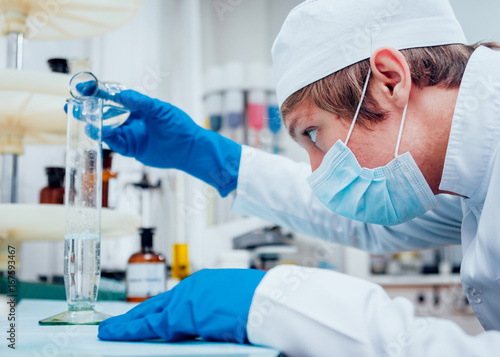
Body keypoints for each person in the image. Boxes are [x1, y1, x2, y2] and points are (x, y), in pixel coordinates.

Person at [97, 0, 500, 355]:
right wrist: (207, 157)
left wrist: (274, 304)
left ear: (389, 80)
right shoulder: (474, 164)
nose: (316, 170)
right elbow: (365, 222)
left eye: (312, 133)